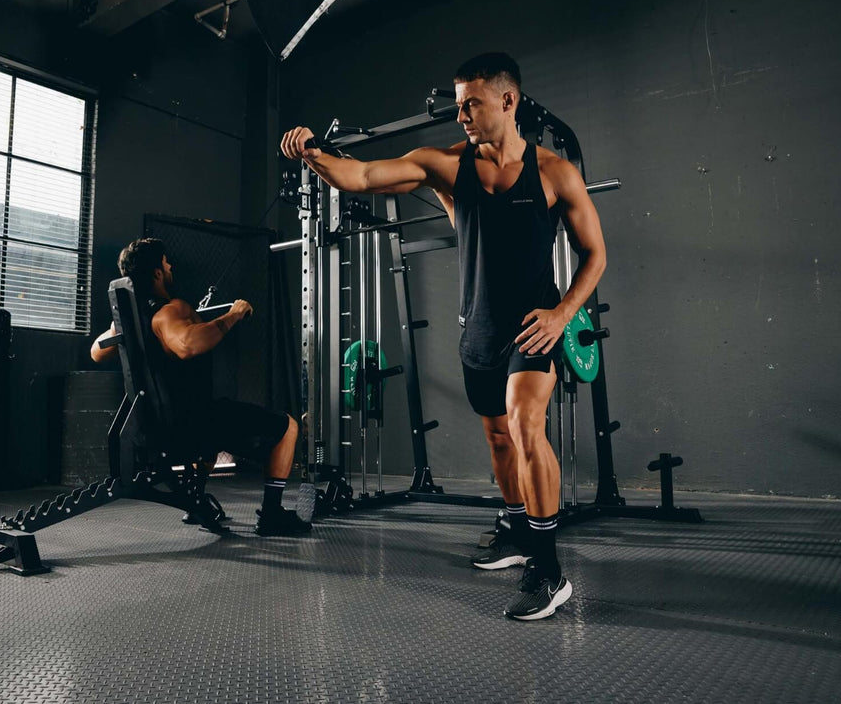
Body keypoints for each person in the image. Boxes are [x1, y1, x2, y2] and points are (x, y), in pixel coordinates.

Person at [280, 52, 607, 620]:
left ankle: (548, 570)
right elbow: (359, 175)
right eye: (458, 105)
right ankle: (513, 523)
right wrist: (312, 153)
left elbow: (595, 254)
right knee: (500, 439)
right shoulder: (446, 166)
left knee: (527, 424)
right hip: (478, 327)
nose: (461, 115)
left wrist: (563, 316)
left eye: (471, 104)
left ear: (507, 101)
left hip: (535, 325)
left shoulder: (555, 172)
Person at [90, 237, 312, 537]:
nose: (171, 267)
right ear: (157, 273)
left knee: (213, 420)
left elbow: (96, 351)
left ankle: (195, 500)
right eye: (166, 263)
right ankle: (272, 513)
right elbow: (186, 344)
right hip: (188, 427)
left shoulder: (129, 320)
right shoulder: (169, 310)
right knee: (287, 427)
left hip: (152, 426)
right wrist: (233, 315)